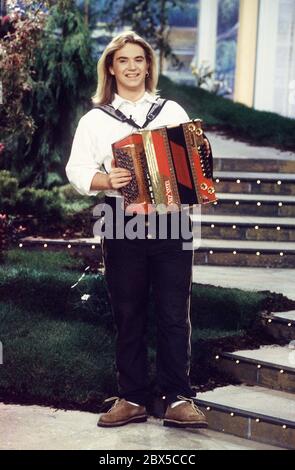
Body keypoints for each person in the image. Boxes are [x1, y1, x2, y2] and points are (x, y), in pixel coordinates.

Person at [66, 31, 208, 429]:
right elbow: (76, 169)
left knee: (174, 312)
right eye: (123, 60)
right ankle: (131, 398)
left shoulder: (171, 111)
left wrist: (193, 180)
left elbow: (191, 163)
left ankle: (177, 398)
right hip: (119, 219)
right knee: (128, 312)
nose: (132, 67)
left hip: (170, 220)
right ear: (111, 68)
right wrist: (106, 180)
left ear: (149, 66)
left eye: (139, 60)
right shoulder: (95, 120)